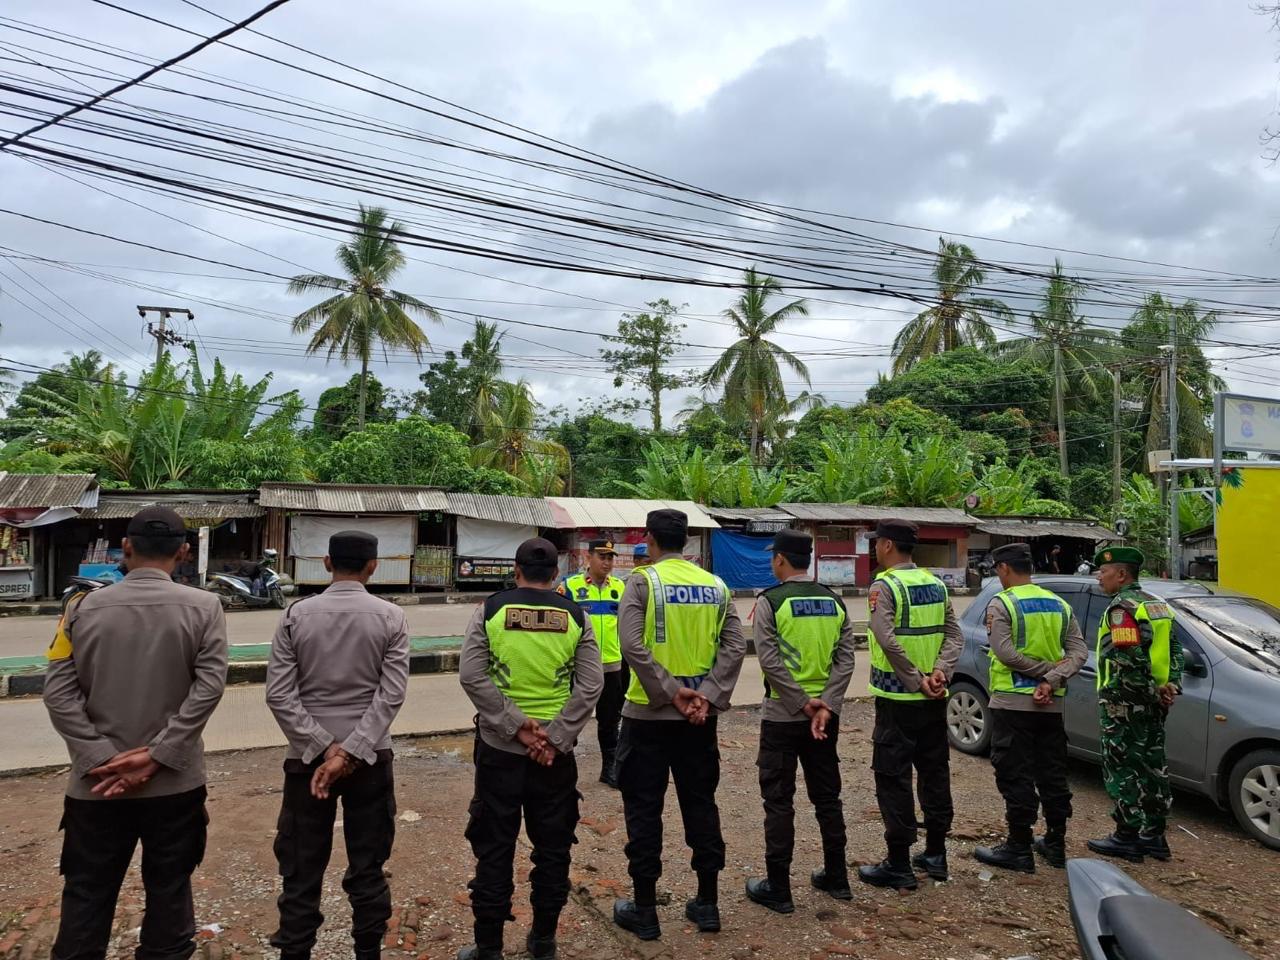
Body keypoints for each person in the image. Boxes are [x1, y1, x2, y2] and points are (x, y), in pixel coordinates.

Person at [43, 506, 228, 960]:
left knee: (86, 896)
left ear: (125, 547)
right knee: (169, 893)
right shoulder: (205, 607)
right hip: (174, 784)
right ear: (183, 552)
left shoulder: (79, 608)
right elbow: (209, 688)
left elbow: (58, 693)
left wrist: (99, 758)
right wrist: (158, 755)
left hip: (96, 787)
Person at [265, 530, 410, 960]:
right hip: (370, 760)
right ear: (373, 566)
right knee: (368, 867)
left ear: (327, 563)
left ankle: (295, 952)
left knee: (300, 869)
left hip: (307, 763)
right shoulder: (391, 616)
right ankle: (367, 951)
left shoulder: (296, 615)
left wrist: (324, 748)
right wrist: (350, 751)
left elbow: (279, 694)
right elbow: (391, 694)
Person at [458, 538, 604, 960]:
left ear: (516, 571)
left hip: (500, 751)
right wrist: (554, 737)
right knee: (553, 849)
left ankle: (488, 948)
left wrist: (515, 727)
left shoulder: (490, 610)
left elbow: (472, 675)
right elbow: (591, 684)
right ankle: (543, 940)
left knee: (494, 848)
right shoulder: (576, 615)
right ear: (556, 574)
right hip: (554, 758)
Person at [613, 509, 748, 941]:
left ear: (650, 538)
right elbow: (735, 646)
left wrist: (671, 693)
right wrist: (706, 695)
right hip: (698, 721)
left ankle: (645, 911)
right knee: (701, 805)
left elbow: (631, 645)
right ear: (687, 539)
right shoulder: (716, 586)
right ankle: (707, 903)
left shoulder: (642, 581)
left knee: (643, 810)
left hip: (647, 716)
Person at [745, 530, 857, 914]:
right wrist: (826, 705)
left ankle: (779, 889)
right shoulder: (834, 600)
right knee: (827, 798)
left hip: (783, 715)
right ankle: (838, 878)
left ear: (779, 559)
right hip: (824, 719)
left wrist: (800, 702)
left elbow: (769, 660)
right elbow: (845, 658)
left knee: (778, 801)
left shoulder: (771, 602)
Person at [858, 519, 964, 891]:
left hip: (897, 700)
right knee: (935, 773)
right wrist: (940, 673)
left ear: (888, 545)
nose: (874, 548)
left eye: (876, 542)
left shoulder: (884, 586)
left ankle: (899, 863)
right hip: (934, 699)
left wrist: (917, 679)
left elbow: (885, 637)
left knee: (893, 778)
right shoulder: (935, 584)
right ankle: (936, 853)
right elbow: (954, 634)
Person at [973, 542, 1087, 873]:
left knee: (1015, 773)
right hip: (1051, 706)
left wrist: (1043, 675)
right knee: (1052, 774)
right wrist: (1053, 678)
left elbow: (1004, 652)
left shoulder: (1002, 603)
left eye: (997, 570)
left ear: (1004, 568)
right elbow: (1079, 652)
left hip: (1012, 703)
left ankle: (1019, 847)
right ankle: (1055, 844)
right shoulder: (1059, 604)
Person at [1087, 546, 1182, 863]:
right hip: (1155, 702)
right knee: (1153, 767)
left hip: (1125, 701)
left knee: (1123, 767)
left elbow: (1129, 658)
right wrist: (1170, 686)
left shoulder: (1122, 608)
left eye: (1103, 572)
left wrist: (1152, 692)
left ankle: (1126, 836)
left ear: (1121, 574)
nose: (1099, 577)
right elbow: (1174, 650)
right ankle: (1154, 835)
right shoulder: (1157, 605)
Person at [558, 539, 628, 787]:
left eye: (610, 558)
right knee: (570, 717)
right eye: (602, 557)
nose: (607, 563)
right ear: (588, 557)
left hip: (611, 666)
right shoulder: (569, 587)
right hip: (578, 668)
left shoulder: (620, 587)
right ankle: (562, 769)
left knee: (610, 720)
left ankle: (609, 768)